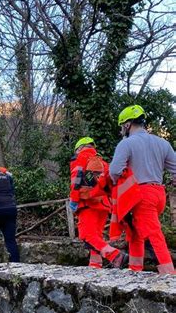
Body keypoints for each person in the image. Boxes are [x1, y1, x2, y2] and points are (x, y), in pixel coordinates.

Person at [109, 104, 176, 274]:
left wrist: (121, 179)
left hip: (139, 195)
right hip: (159, 194)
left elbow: (115, 171)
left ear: (127, 124)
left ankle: (170, 278)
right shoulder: (162, 142)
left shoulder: (126, 144)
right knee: (135, 233)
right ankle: (135, 270)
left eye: (122, 126)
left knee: (154, 237)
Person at [69, 137, 127, 269]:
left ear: (79, 148)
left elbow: (76, 181)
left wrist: (73, 200)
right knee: (96, 236)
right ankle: (95, 265)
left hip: (88, 203)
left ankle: (115, 256)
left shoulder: (80, 159)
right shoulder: (103, 162)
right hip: (104, 204)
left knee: (87, 235)